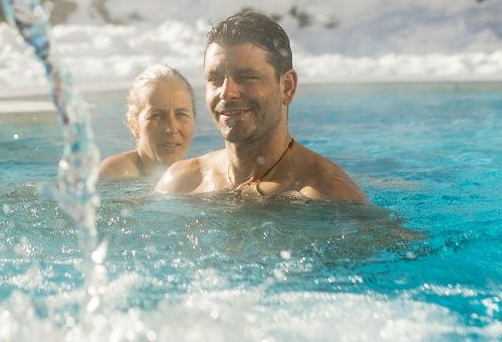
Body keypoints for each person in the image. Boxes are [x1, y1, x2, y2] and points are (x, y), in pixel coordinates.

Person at [158, 10, 370, 204]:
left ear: (287, 87)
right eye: (215, 78)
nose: (226, 92)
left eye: (247, 77)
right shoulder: (183, 181)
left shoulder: (327, 195)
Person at [96, 63, 197, 182]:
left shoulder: (198, 173)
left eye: (181, 114)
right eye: (157, 115)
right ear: (133, 124)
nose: (171, 127)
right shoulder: (117, 173)